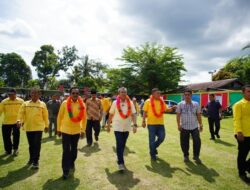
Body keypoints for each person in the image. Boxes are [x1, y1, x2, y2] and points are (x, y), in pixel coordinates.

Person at [57, 87, 87, 179]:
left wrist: (83, 130)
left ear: (78, 94)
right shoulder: (64, 103)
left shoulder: (82, 105)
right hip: (65, 130)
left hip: (76, 131)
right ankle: (65, 171)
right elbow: (60, 116)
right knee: (66, 151)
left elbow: (84, 118)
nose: (75, 95)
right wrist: (58, 129)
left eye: (76, 93)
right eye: (73, 93)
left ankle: (71, 162)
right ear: (70, 94)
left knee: (74, 151)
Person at [106, 87, 137, 171]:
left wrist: (135, 125)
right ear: (118, 94)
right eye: (122, 92)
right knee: (119, 144)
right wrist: (108, 125)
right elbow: (111, 114)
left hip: (127, 127)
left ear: (127, 93)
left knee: (123, 144)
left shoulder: (130, 103)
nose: (123, 93)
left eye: (125, 92)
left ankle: (119, 157)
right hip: (117, 127)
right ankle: (121, 163)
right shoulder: (115, 103)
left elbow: (134, 114)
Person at [17, 88, 49, 169]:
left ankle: (36, 161)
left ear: (39, 95)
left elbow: (45, 116)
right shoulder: (25, 103)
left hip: (39, 127)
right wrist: (18, 120)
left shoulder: (42, 104)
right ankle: (31, 159)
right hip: (29, 127)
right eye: (33, 93)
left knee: (37, 144)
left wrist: (46, 125)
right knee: (31, 145)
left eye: (36, 93)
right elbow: (21, 113)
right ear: (30, 94)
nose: (34, 95)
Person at [142, 88, 176, 161]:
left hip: (160, 124)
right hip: (151, 124)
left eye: (159, 93)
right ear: (153, 94)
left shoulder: (161, 101)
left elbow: (166, 109)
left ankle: (153, 148)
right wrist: (143, 121)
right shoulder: (148, 101)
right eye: (158, 93)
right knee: (152, 140)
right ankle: (152, 154)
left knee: (162, 137)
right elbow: (144, 111)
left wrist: (172, 108)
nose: (159, 94)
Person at [176, 89, 203, 163]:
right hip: (184, 127)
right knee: (184, 142)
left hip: (194, 127)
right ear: (184, 95)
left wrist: (200, 124)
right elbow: (178, 116)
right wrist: (178, 125)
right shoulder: (180, 104)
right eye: (186, 95)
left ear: (191, 95)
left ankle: (196, 156)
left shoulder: (196, 104)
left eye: (188, 95)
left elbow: (198, 115)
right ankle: (186, 156)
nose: (187, 96)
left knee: (197, 141)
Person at [233, 85, 250, 183]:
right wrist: (239, 132)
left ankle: (247, 166)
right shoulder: (238, 104)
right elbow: (237, 119)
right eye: (248, 91)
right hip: (243, 134)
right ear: (243, 93)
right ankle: (242, 173)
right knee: (242, 154)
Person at [0, 88, 24, 156]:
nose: (11, 96)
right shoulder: (4, 102)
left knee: (16, 136)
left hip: (17, 122)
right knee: (6, 137)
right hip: (6, 122)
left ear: (15, 94)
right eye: (9, 95)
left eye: (12, 94)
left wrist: (23, 121)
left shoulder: (21, 101)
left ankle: (15, 149)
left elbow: (23, 112)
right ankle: (8, 150)